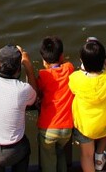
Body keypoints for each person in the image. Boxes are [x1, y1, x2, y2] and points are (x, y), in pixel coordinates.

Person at [67, 38, 106, 172]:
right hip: (105, 124)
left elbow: (74, 83)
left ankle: (95, 160)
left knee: (86, 155)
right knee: (104, 128)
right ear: (103, 60)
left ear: (82, 61)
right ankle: (99, 157)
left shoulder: (76, 79)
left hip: (84, 126)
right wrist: (105, 60)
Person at [35, 37, 74, 172]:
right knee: (60, 152)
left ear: (44, 60)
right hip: (67, 128)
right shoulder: (69, 68)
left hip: (48, 129)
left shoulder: (43, 75)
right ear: (62, 56)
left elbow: (37, 91)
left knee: (48, 162)